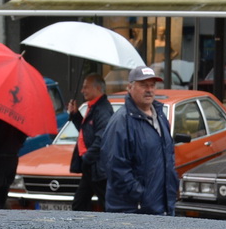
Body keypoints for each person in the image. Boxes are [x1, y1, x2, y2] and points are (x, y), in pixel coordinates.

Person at [101, 65, 177, 215]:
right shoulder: (121, 122)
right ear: (130, 87)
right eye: (143, 85)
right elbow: (116, 169)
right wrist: (143, 197)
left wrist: (172, 188)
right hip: (133, 212)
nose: (149, 90)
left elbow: (168, 158)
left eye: (152, 85)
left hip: (162, 208)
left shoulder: (161, 116)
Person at [68, 73, 114, 212]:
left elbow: (102, 138)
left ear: (98, 88)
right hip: (91, 167)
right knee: (79, 204)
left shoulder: (103, 109)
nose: (82, 91)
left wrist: (87, 157)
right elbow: (87, 132)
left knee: (107, 204)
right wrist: (75, 115)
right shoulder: (92, 107)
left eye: (86, 87)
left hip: (98, 167)